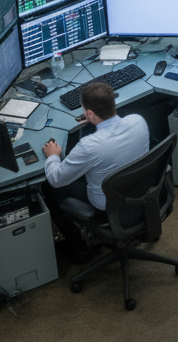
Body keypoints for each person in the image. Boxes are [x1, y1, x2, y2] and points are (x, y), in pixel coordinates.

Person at [41, 82, 150, 261]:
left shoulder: (88, 147)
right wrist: (96, 122)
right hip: (139, 193)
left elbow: (56, 179)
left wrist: (53, 156)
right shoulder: (138, 121)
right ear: (113, 104)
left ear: (89, 113)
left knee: (49, 187)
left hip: (107, 206)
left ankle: (79, 249)